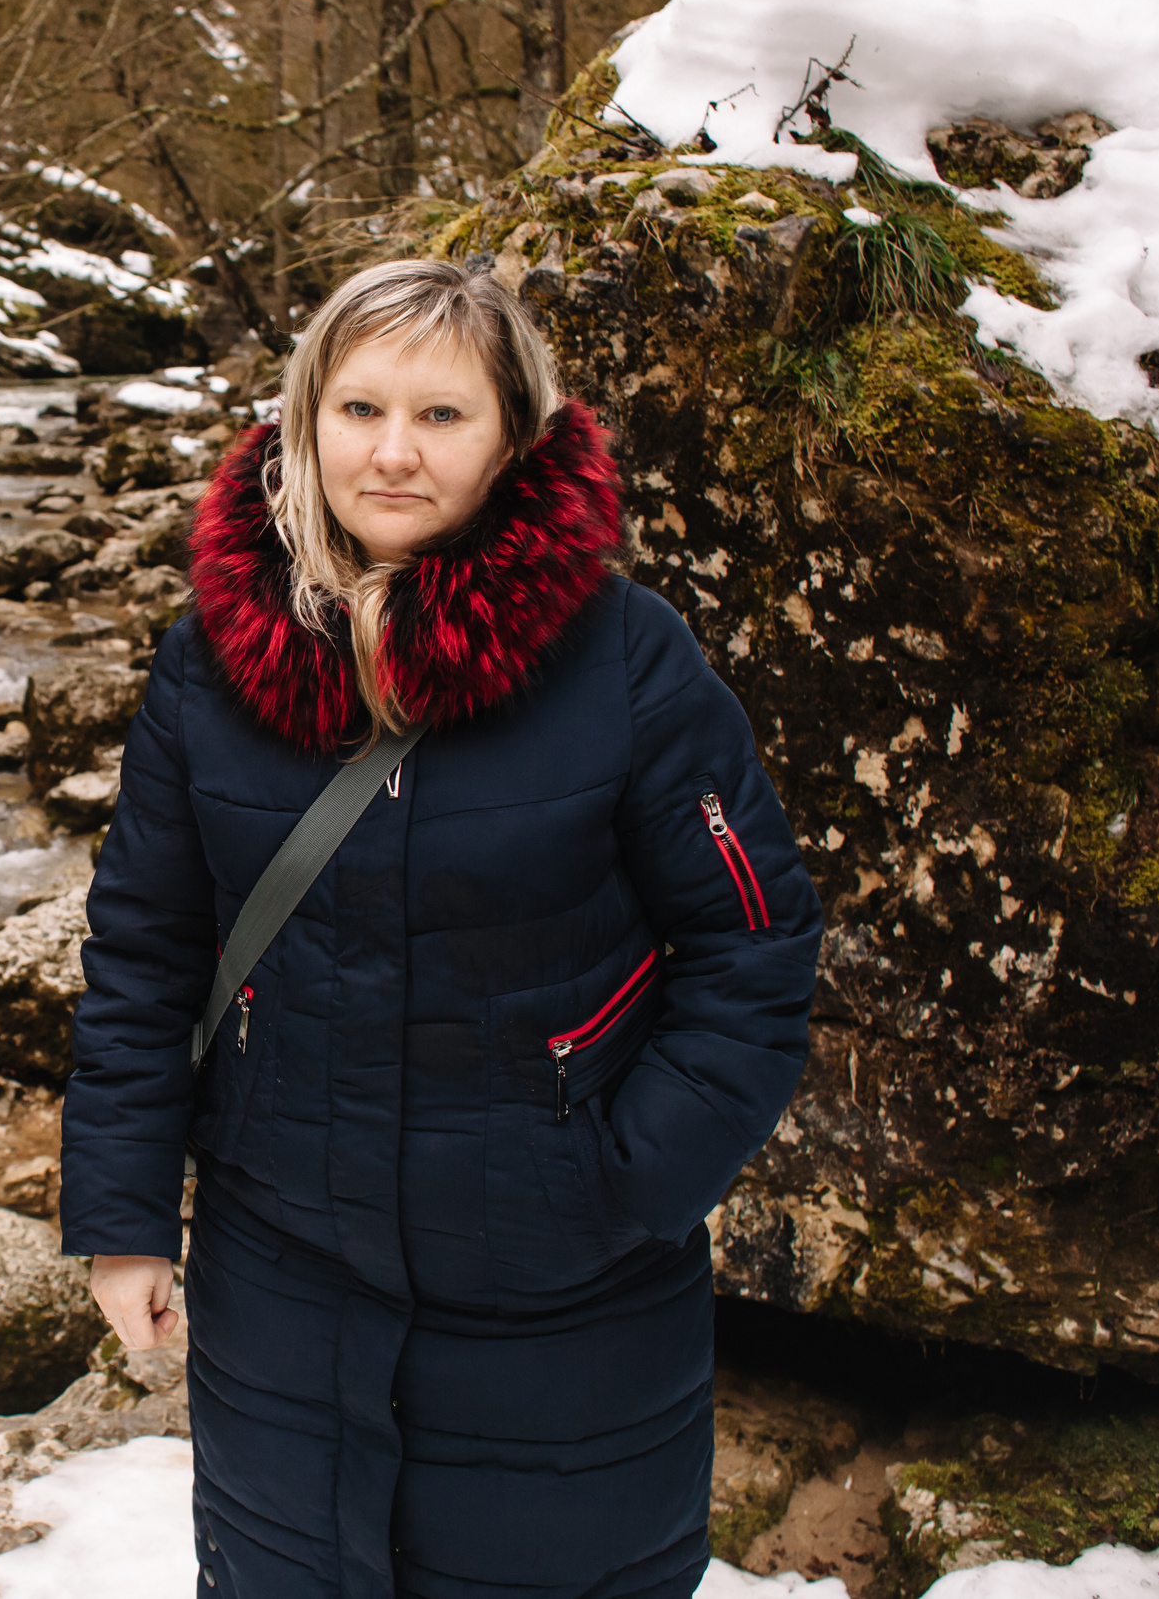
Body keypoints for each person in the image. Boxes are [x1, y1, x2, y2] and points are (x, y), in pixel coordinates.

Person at [59, 257, 822, 1599]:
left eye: (442, 416)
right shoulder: (211, 658)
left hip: (561, 1300)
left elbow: (751, 946)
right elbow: (145, 949)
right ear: (303, 422)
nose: (393, 453)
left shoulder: (627, 660)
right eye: (357, 410)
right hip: (281, 1280)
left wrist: (625, 1186)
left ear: (517, 440)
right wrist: (125, 1219)